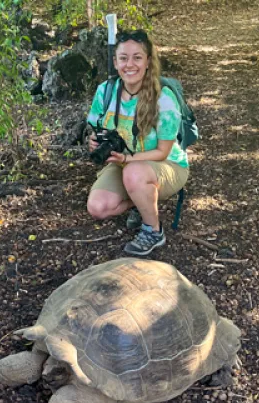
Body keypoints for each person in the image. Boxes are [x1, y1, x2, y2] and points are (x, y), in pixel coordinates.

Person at [87, 29, 189, 256]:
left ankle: (153, 230)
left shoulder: (164, 99)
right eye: (123, 58)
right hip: (125, 163)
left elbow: (163, 151)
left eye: (137, 57)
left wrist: (127, 159)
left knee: (134, 173)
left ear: (148, 62)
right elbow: (94, 128)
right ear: (115, 62)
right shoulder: (106, 91)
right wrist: (94, 142)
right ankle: (140, 199)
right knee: (98, 208)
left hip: (168, 165)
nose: (129, 64)